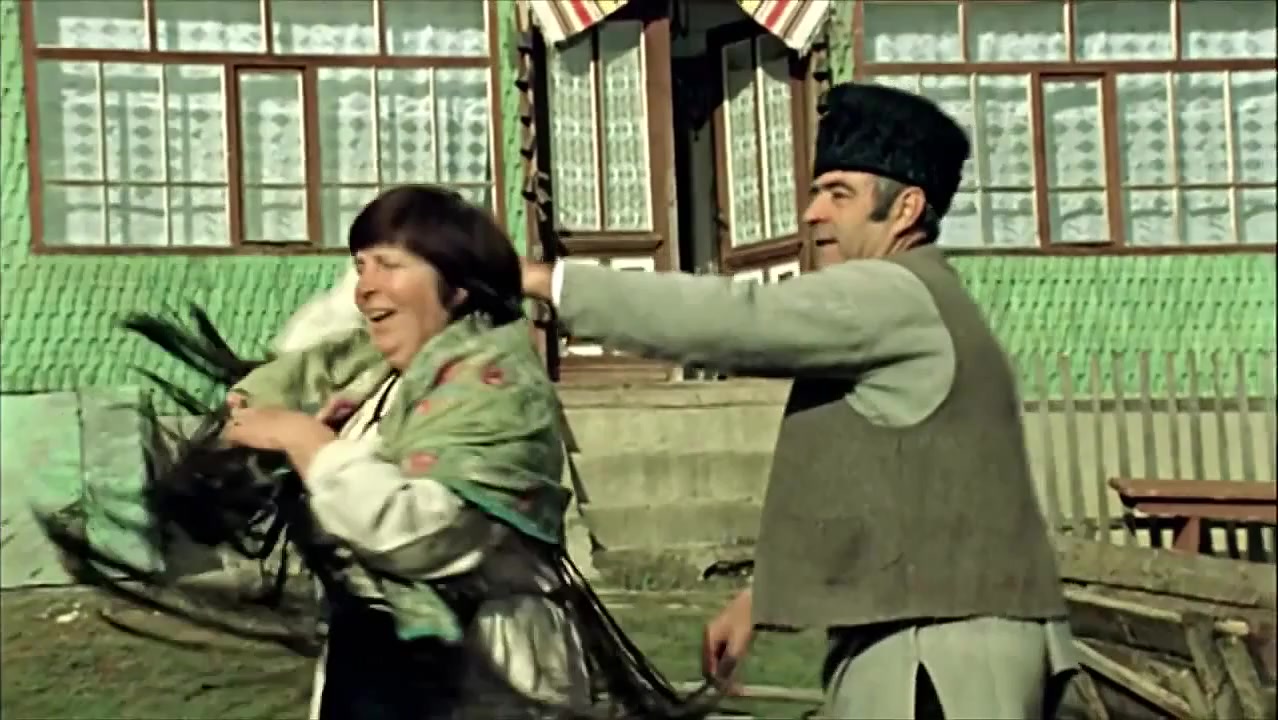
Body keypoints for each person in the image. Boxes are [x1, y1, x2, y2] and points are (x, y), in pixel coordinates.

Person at [42, 185, 718, 720]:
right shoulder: (378, 382)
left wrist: (308, 444)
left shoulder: (495, 387)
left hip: (485, 674)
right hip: (373, 674)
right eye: (359, 265)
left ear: (457, 287)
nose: (364, 285)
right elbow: (316, 346)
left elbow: (421, 533)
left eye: (388, 265)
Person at [519, 82, 1079, 719]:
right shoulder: (919, 299)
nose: (813, 213)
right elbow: (890, 490)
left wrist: (547, 281)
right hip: (934, 635)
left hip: (937, 654)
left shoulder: (892, 294)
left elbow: (735, 318)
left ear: (905, 209)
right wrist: (761, 598)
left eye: (839, 193)